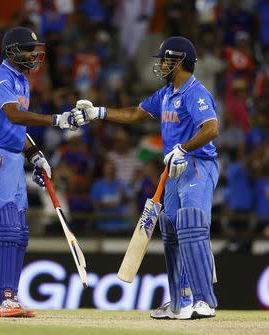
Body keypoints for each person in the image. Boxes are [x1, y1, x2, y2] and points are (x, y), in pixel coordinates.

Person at [73, 36, 219, 319]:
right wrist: (97, 112)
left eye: (165, 59)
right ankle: (180, 302)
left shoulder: (195, 93)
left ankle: (204, 301)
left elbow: (211, 128)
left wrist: (183, 148)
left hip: (198, 165)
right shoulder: (165, 94)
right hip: (174, 171)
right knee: (173, 232)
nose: (161, 64)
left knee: (190, 223)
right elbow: (134, 113)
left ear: (179, 61)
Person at [0, 26, 78, 318]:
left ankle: (8, 298)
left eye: (36, 50)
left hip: (13, 155)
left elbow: (18, 126)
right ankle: (2, 299)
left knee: (18, 228)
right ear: (12, 51)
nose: (35, 54)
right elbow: (13, 115)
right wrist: (56, 120)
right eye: (29, 50)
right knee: (6, 222)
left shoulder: (22, 82)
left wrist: (35, 153)